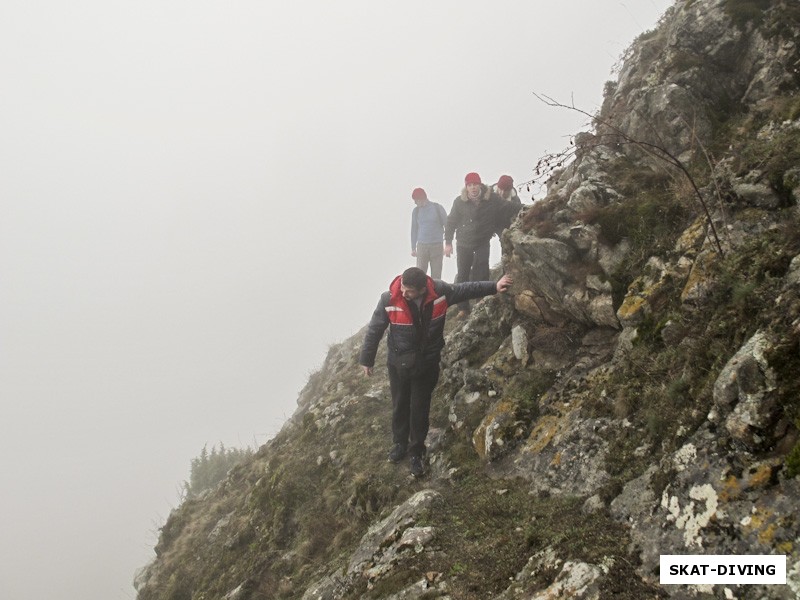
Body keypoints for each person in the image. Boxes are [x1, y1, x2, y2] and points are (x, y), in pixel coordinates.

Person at [359, 266, 513, 477]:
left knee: (419, 408)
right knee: (400, 405)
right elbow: (375, 329)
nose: (404, 293)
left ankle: (416, 452)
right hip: (398, 365)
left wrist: (494, 286)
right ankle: (399, 445)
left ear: (423, 289)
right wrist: (366, 360)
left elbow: (465, 290)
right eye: (403, 287)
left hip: (427, 363)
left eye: (410, 290)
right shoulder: (389, 299)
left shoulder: (440, 292)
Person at [444, 172, 506, 318]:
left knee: (482, 269)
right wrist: (448, 243)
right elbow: (451, 222)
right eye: (469, 185)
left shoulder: (491, 198)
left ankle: (481, 299)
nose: (472, 188)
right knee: (463, 273)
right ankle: (463, 308)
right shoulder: (459, 202)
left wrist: (524, 208)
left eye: (475, 184)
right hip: (463, 243)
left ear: (480, 185)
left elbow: (506, 207)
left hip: (482, 241)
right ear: (466, 187)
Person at [410, 187, 448, 279]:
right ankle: (421, 293)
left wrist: (448, 244)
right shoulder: (416, 211)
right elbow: (414, 229)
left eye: (416, 200)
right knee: (420, 275)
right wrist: (413, 247)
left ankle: (436, 293)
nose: (415, 203)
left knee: (436, 275)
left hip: (437, 246)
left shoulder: (437, 208)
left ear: (422, 198)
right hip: (422, 246)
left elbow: (447, 225)